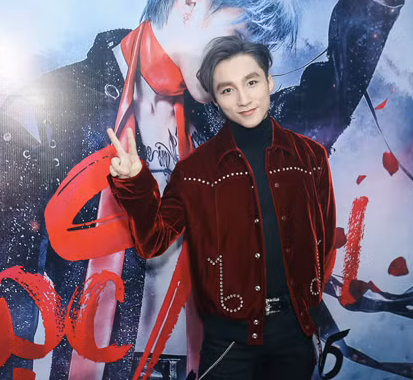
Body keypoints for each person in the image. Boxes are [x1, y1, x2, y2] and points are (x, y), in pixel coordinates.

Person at [0, 0, 404, 377]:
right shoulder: (46, 113)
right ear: (190, 1)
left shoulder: (222, 126)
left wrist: (369, 10)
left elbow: (317, 115)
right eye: (237, 38)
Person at [107, 34, 336, 380]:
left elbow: (324, 241)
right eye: (227, 90)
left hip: (296, 335)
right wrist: (135, 182)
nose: (244, 99)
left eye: (252, 82)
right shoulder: (194, 171)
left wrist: (308, 305)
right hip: (229, 343)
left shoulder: (310, 158)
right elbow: (153, 240)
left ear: (269, 82)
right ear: (215, 100)